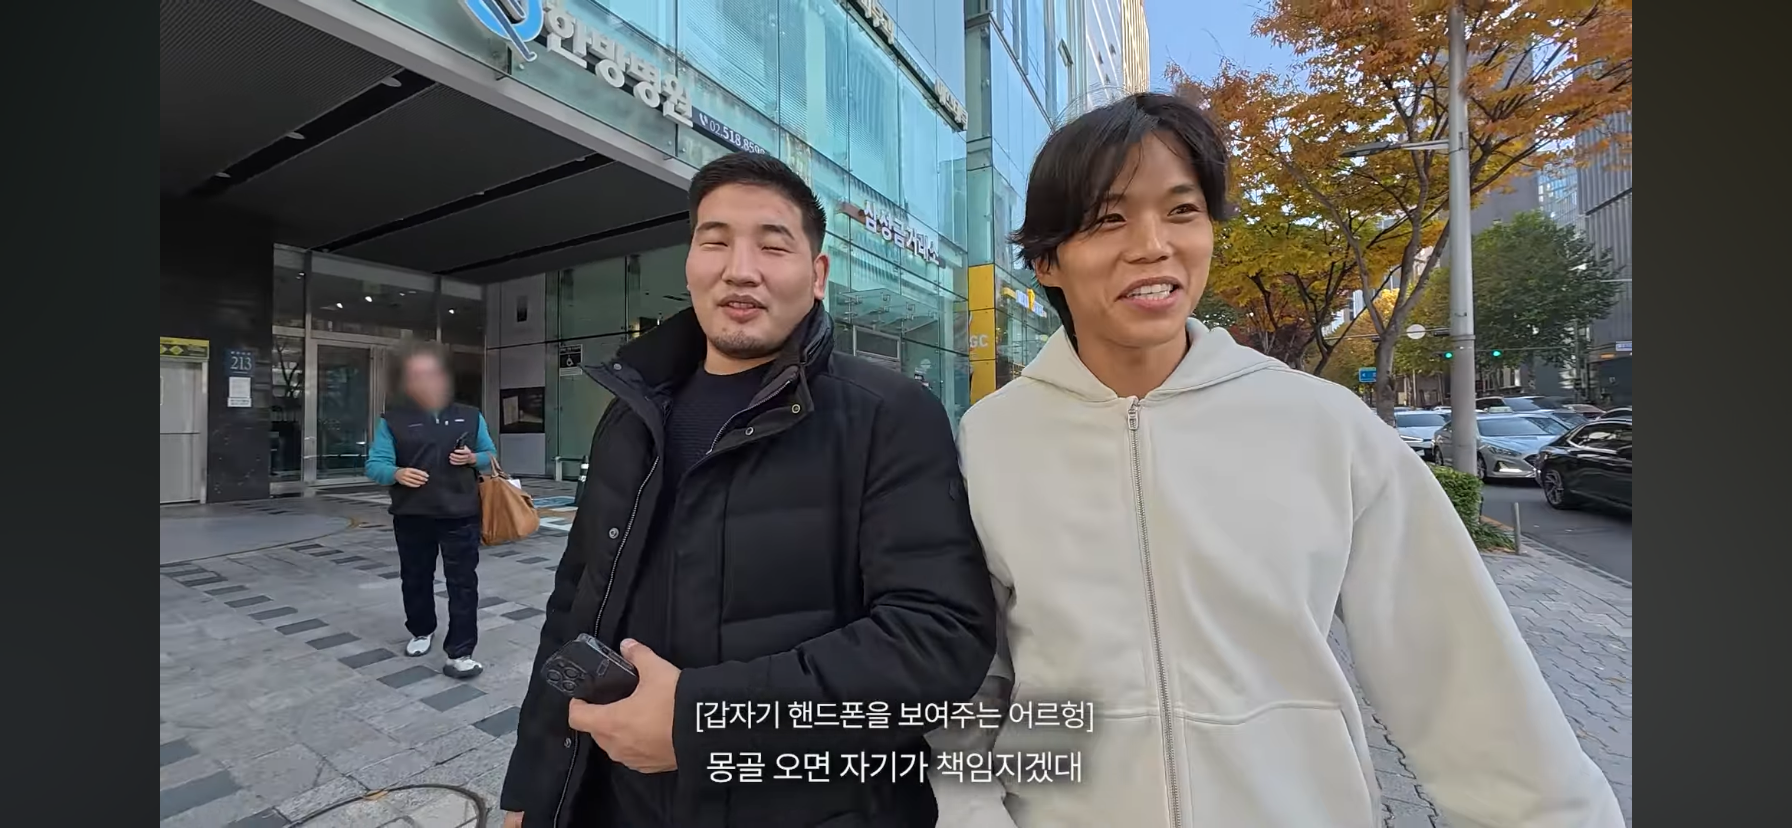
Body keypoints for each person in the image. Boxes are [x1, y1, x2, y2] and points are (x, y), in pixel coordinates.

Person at [929, 93, 1625, 828]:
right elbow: (970, 681)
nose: (1153, 244)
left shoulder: (1323, 425)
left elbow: (1459, 674)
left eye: (1182, 210)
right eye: (1108, 219)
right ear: (1047, 260)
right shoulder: (992, 439)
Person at [498, 152, 998, 828]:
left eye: (773, 245)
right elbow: (573, 607)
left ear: (817, 275)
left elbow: (938, 639)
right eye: (715, 241)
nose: (740, 269)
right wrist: (533, 788)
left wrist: (701, 720)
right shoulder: (631, 415)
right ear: (689, 265)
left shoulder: (888, 414)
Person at [365, 342, 498, 680]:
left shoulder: (470, 415)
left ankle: (461, 652)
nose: (427, 381)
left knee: (463, 583)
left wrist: (473, 458)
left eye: (433, 374)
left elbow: (490, 457)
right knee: (415, 578)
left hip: (461, 514)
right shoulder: (394, 420)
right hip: (412, 515)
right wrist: (396, 473)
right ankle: (421, 630)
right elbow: (375, 464)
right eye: (418, 375)